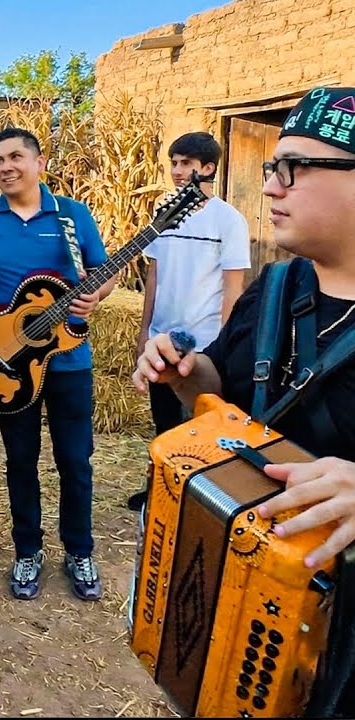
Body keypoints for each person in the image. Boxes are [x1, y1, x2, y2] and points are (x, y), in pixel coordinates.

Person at [134, 86, 355, 716]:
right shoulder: (276, 288)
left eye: (294, 168)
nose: (270, 187)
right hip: (245, 619)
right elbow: (224, 393)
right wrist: (183, 371)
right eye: (271, 168)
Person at [0, 127, 115, 602]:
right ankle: (27, 551)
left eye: (16, 157)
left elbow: (104, 273)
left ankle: (79, 550)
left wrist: (96, 295)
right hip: (8, 366)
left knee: (75, 461)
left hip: (68, 360)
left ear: (40, 163)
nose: (6, 167)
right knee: (20, 460)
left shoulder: (73, 216)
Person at [126, 131, 250, 511]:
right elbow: (154, 275)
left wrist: (224, 345)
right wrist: (144, 331)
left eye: (186, 164)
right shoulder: (164, 213)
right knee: (163, 424)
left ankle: (195, 503)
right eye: (174, 163)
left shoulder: (228, 220)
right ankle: (158, 492)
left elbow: (233, 287)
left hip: (204, 343)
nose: (177, 171)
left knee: (197, 429)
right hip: (161, 339)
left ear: (208, 168)